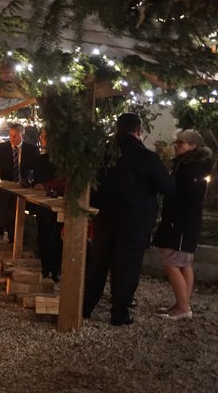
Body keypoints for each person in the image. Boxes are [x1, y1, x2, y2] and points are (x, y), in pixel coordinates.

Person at [83, 113, 175, 326]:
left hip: (106, 216)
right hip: (135, 220)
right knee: (127, 266)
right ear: (138, 131)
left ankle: (86, 306)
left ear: (117, 129)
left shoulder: (103, 154)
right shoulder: (146, 157)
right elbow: (168, 187)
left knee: (98, 263)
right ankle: (119, 312)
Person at [152, 130, 214, 320]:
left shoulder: (190, 168)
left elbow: (187, 195)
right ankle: (182, 303)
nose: (176, 145)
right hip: (185, 220)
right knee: (184, 263)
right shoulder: (191, 165)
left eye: (181, 142)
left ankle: (183, 307)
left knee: (172, 262)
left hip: (181, 221)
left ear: (192, 145)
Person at [0, 123, 39, 241]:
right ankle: (0, 231)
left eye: (16, 135)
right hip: (6, 188)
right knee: (2, 201)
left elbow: (36, 171)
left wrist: (29, 182)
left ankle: (14, 237)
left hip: (24, 188)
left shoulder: (32, 150)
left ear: (22, 135)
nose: (13, 138)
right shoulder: (2, 148)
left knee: (17, 211)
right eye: (11, 135)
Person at [31, 128, 65, 282]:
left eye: (45, 137)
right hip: (44, 204)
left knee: (55, 236)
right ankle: (47, 269)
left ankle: (53, 269)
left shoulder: (61, 161)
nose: (43, 139)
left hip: (57, 203)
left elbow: (62, 180)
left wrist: (44, 186)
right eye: (43, 137)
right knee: (45, 235)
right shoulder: (39, 160)